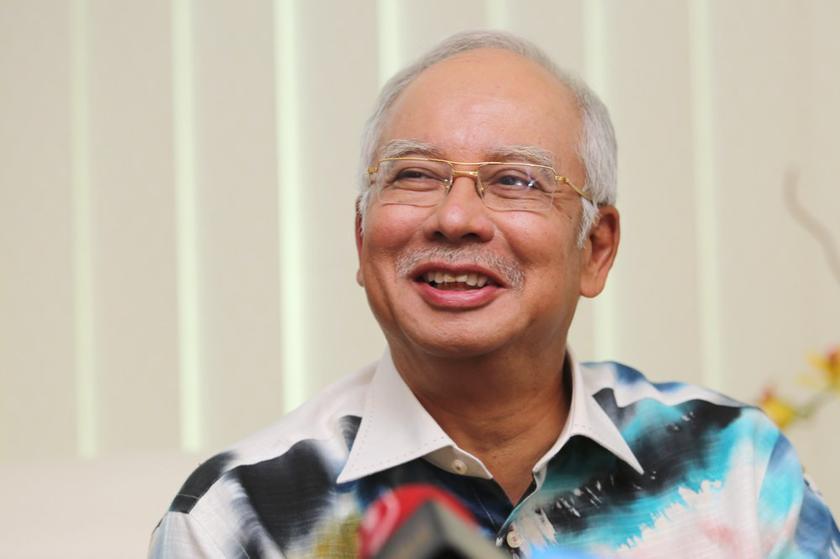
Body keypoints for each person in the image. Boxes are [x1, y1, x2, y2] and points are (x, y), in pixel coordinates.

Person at [150, 30, 839, 558]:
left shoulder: (736, 469)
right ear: (361, 237)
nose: (455, 217)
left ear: (595, 248)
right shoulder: (236, 521)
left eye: (515, 180)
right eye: (415, 174)